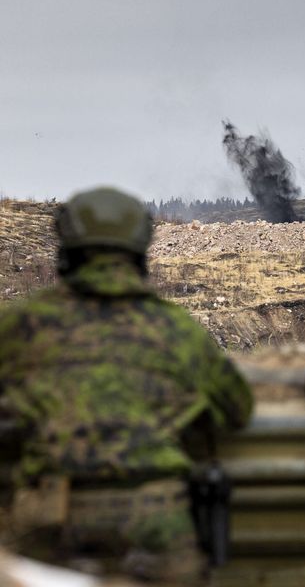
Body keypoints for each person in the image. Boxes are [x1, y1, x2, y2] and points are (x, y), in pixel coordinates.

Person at [0, 186, 253, 584]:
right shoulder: (178, 330)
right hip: (158, 524)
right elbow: (238, 409)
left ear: (67, 251)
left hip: (53, 521)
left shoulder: (20, 327)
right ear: (139, 253)